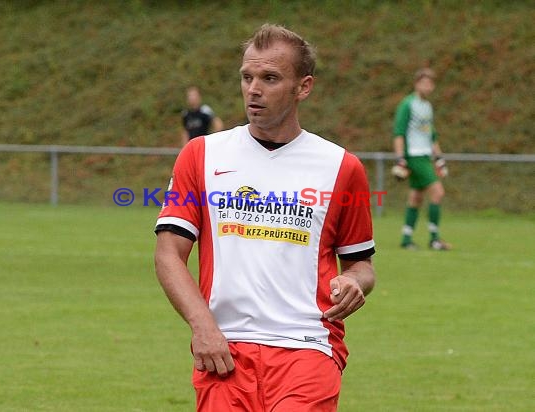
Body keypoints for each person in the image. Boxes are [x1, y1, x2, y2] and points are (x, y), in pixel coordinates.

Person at [155, 24, 376, 412]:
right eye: (247, 77)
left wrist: (354, 282)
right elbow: (169, 253)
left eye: (270, 78)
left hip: (307, 345)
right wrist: (202, 325)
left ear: (303, 87)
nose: (253, 89)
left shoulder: (342, 167)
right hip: (223, 350)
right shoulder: (201, 155)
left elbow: (360, 264)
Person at [392, 67, 451, 250]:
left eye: (431, 83)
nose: (428, 86)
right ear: (416, 83)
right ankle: (434, 239)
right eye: (425, 82)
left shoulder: (427, 106)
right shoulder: (407, 104)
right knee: (438, 192)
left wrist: (439, 159)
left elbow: (431, 135)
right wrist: (400, 159)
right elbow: (399, 133)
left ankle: (406, 238)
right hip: (414, 156)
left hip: (425, 155)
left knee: (416, 197)